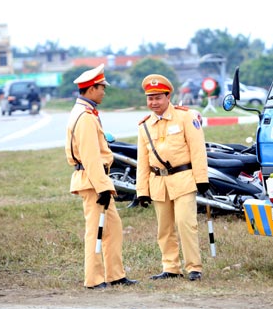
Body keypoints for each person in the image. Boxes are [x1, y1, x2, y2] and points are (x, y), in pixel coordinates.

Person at [65, 64, 138, 290]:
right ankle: (94, 279)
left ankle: (115, 275)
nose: (104, 92)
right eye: (101, 87)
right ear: (91, 89)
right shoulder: (85, 117)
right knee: (95, 230)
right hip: (93, 180)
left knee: (112, 229)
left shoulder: (86, 112)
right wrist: (103, 188)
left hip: (97, 180)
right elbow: (90, 156)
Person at [134, 74, 209, 282]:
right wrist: (142, 190)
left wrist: (202, 178)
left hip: (183, 178)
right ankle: (171, 268)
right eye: (150, 98)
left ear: (168, 97)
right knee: (164, 229)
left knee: (186, 223)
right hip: (159, 183)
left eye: (158, 97)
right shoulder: (144, 125)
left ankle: (194, 267)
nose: (154, 102)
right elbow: (143, 161)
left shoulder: (186, 117)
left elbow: (197, 150)